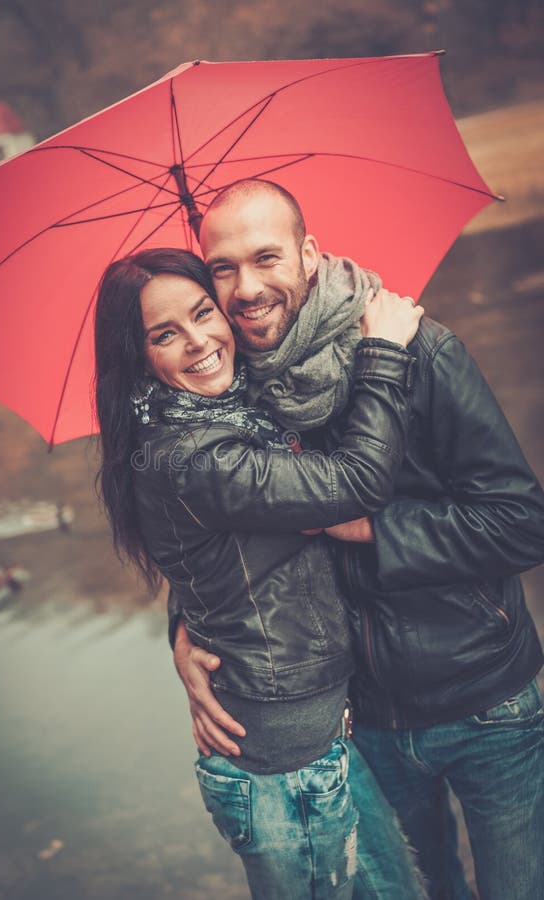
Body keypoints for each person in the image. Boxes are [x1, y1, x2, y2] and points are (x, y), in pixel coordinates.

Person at [173, 179, 544, 900]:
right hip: (358, 723)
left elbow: (520, 521)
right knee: (429, 887)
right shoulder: (227, 394)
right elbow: (219, 538)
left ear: (310, 255)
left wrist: (366, 526)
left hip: (487, 703)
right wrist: (183, 631)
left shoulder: (418, 350)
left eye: (266, 258)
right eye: (222, 268)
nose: (246, 288)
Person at [94, 245, 426, 900]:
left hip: (317, 735)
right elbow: (356, 482)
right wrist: (382, 352)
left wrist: (184, 632)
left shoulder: (229, 414)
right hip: (283, 767)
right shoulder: (194, 454)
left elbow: (213, 561)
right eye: (166, 334)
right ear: (140, 358)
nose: (200, 341)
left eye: (202, 313)